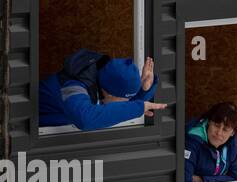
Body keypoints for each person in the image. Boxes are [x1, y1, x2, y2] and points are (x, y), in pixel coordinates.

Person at [38, 49, 166, 131]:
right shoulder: (72, 86)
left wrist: (144, 90)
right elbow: (86, 119)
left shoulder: (99, 79)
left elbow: (118, 105)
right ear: (108, 91)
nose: (127, 101)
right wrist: (137, 108)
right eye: (123, 98)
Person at [184, 102, 237, 182]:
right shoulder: (192, 142)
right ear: (208, 122)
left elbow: (234, 178)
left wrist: (202, 180)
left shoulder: (232, 143)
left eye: (225, 129)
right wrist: (222, 179)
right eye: (216, 125)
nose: (219, 133)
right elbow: (186, 181)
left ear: (232, 133)